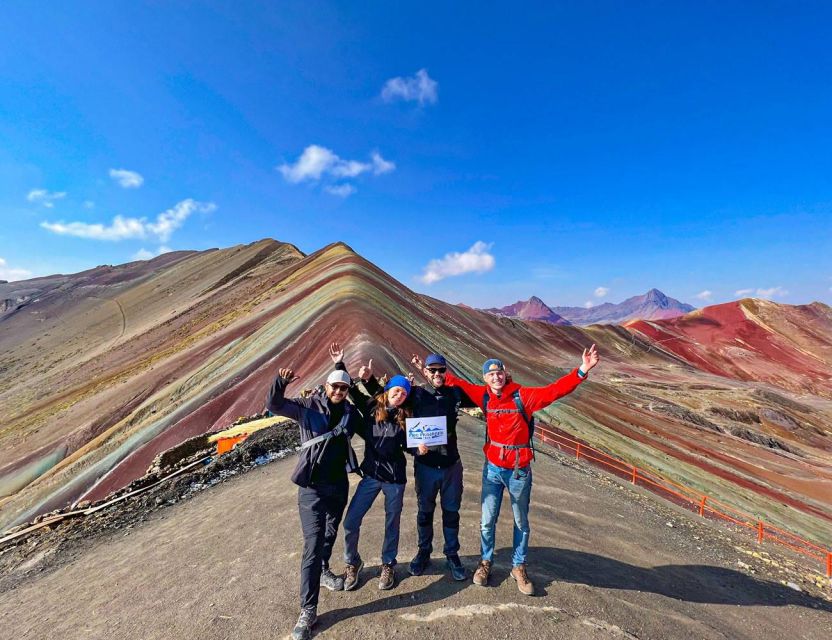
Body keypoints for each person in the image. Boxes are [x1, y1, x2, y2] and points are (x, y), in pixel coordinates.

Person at [442, 344, 600, 596]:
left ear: (505, 374)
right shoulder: (483, 395)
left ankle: (518, 566)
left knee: (520, 521)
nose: (496, 377)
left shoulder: (522, 396)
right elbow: (457, 383)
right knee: (487, 520)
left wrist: (582, 370)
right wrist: (430, 372)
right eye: (490, 374)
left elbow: (554, 391)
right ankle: (485, 562)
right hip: (492, 468)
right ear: (485, 379)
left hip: (518, 470)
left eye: (499, 372)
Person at [266, 364, 362, 640]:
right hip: (311, 488)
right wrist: (279, 383)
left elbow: (370, 424)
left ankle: (324, 569)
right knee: (313, 543)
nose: (339, 391)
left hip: (338, 485)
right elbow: (274, 404)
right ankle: (308, 610)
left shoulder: (349, 413)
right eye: (335, 386)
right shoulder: (307, 407)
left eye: (344, 388)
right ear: (325, 386)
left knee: (331, 532)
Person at [331, 349, 413, 592]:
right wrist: (340, 364)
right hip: (371, 476)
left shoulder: (406, 417)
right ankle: (352, 562)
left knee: (392, 522)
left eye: (404, 393)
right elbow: (352, 392)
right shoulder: (370, 408)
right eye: (396, 390)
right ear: (388, 391)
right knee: (351, 520)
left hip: (395, 479)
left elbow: (412, 445)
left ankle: (388, 564)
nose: (399, 395)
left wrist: (420, 450)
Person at [407, 353, 477, 581]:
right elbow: (389, 398)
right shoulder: (415, 393)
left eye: (441, 370)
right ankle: (423, 551)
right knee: (425, 512)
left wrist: (505, 380)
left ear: (447, 372)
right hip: (426, 465)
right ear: (425, 372)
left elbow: (484, 396)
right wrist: (367, 381)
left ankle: (452, 553)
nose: (437, 374)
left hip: (451, 465)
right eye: (432, 371)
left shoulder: (455, 393)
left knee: (451, 511)